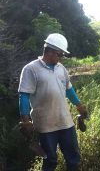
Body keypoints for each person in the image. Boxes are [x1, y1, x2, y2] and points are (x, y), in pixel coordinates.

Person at [18, 33, 88, 171]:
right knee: (50, 160)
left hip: (65, 122)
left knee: (73, 157)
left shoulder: (61, 68)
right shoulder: (31, 69)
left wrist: (79, 106)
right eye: (60, 54)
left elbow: (69, 90)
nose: (61, 58)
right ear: (49, 52)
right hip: (45, 125)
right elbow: (24, 95)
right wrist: (26, 121)